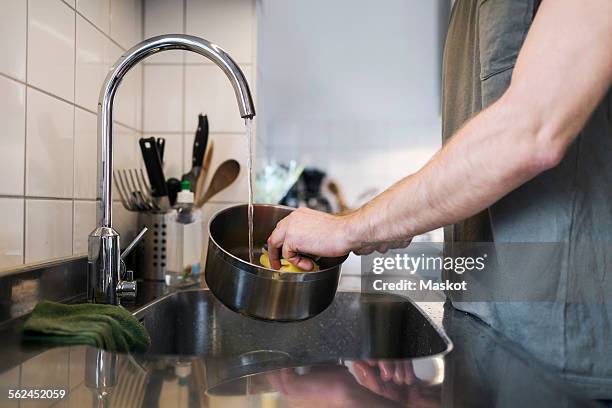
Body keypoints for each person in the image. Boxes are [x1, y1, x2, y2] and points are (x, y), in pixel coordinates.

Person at [267, 0, 612, 398]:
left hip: (567, 368)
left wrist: (350, 226)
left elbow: (531, 131)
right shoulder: (461, 11)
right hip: (489, 347)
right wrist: (425, 399)